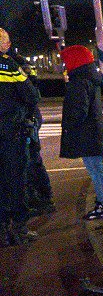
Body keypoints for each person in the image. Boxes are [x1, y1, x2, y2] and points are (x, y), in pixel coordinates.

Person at [60, 45, 103, 220]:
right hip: (94, 132)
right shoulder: (91, 79)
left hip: (87, 134)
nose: (65, 66)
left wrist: (68, 125)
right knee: (98, 168)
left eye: (66, 62)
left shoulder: (80, 82)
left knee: (95, 169)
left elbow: (78, 111)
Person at [0, 27, 40, 245]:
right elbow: (32, 95)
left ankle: (2, 230)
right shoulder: (10, 66)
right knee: (16, 180)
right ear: (5, 45)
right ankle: (20, 228)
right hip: (11, 133)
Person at [11, 51, 54, 216]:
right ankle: (41, 198)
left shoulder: (14, 63)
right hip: (29, 116)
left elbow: (28, 93)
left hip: (26, 118)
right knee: (32, 160)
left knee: (29, 161)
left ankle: (39, 199)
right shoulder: (19, 61)